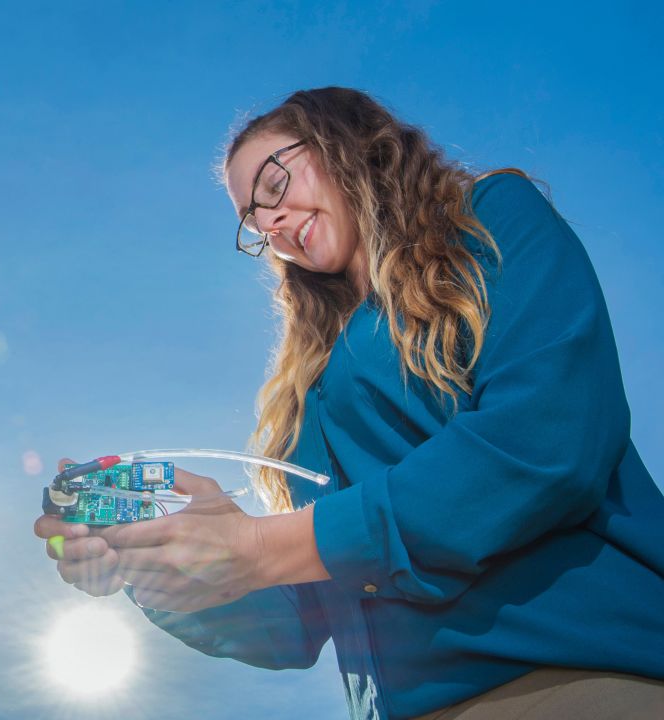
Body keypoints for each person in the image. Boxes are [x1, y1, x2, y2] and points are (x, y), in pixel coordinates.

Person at [34, 87, 664, 719]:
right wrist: (158, 562)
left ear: (343, 142)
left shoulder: (490, 219)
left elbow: (542, 442)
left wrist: (259, 545)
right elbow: (299, 621)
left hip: (569, 679)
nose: (272, 224)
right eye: (254, 222)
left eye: (274, 184)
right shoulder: (312, 388)